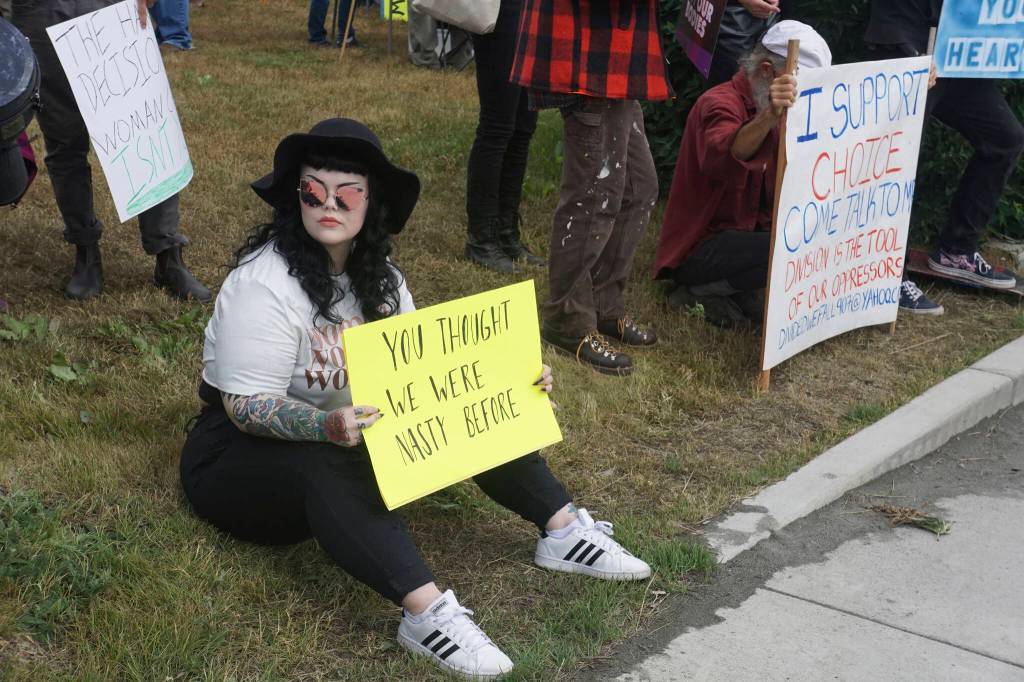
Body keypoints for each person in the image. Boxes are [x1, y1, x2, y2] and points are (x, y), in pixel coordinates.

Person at [179, 118, 653, 679]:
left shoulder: (383, 280)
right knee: (323, 461)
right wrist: (326, 427)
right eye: (313, 190)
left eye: (348, 192)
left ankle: (564, 530)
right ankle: (427, 615)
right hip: (234, 459)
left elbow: (424, 377)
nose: (329, 204)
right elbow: (244, 409)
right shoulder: (264, 283)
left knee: (467, 405)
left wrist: (511, 386)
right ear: (295, 198)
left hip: (353, 433)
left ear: (370, 204)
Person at [510, 0, 671, 376]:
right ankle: (566, 320)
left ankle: (603, 305)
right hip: (588, 49)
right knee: (593, 195)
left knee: (639, 188)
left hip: (615, 50)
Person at [11, 0, 210, 302]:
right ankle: (85, 248)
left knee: (145, 124)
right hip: (41, 8)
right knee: (64, 137)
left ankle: (169, 253)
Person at [652, 21, 831, 329]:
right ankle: (697, 291)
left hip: (744, 236)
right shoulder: (720, 103)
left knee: (816, 235)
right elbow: (727, 153)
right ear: (765, 71)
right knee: (784, 247)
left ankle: (733, 288)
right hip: (703, 246)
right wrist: (770, 116)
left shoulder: (785, 113)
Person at [865, 0, 1021, 293]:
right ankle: (886, 276)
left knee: (1005, 138)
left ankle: (956, 251)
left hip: (956, 49)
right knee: (898, 157)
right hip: (904, 38)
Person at [464, 0, 542, 274]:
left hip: (534, 9)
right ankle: (481, 238)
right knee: (497, 126)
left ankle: (506, 233)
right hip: (502, 10)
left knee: (523, 126)